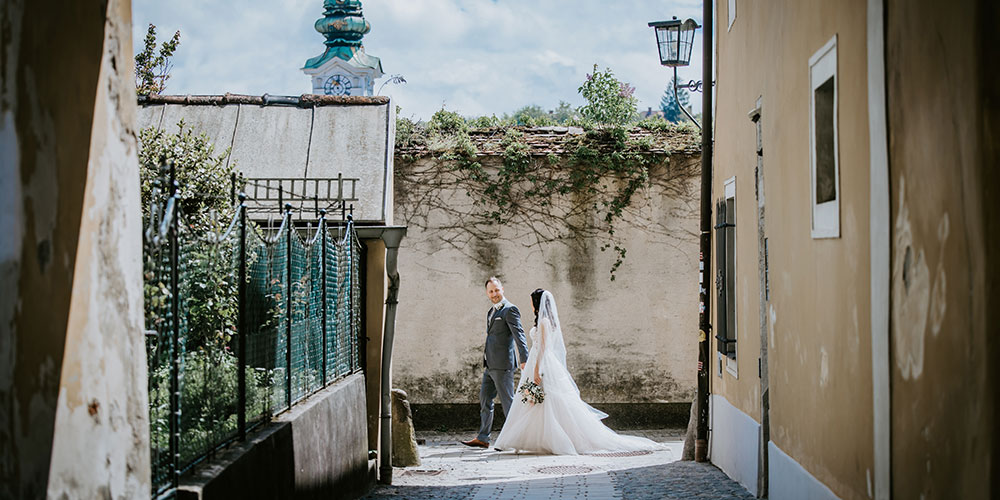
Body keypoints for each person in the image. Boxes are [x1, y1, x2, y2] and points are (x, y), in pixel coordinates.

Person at [492, 288, 660, 455]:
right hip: (541, 362)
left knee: (543, 401)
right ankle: (534, 438)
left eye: (531, 300)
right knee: (538, 402)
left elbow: (542, 348)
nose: (530, 303)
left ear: (536, 302)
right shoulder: (547, 321)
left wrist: (536, 370)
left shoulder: (543, 321)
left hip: (541, 363)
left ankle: (551, 439)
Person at [461, 277, 529, 448]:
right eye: (491, 291)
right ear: (487, 293)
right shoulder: (491, 312)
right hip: (489, 365)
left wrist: (524, 359)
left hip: (503, 365)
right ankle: (483, 438)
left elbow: (519, 335)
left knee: (508, 403)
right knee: (485, 400)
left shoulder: (510, 309)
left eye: (497, 290)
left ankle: (517, 439)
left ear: (502, 289)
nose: (494, 294)